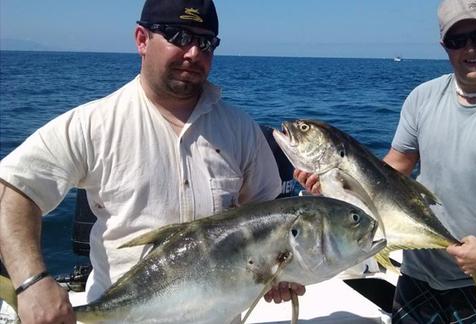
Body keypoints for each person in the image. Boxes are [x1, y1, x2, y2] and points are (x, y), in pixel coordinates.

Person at [0, 1, 303, 323]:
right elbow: (15, 189)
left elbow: (269, 221)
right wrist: (31, 282)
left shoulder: (241, 129)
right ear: (142, 39)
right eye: (178, 36)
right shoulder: (95, 124)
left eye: (205, 43)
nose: (193, 54)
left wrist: (280, 272)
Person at [296, 0, 476, 322]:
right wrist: (335, 191)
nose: (471, 49)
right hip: (417, 273)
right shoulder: (423, 98)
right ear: (444, 46)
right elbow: (394, 168)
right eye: (458, 40)